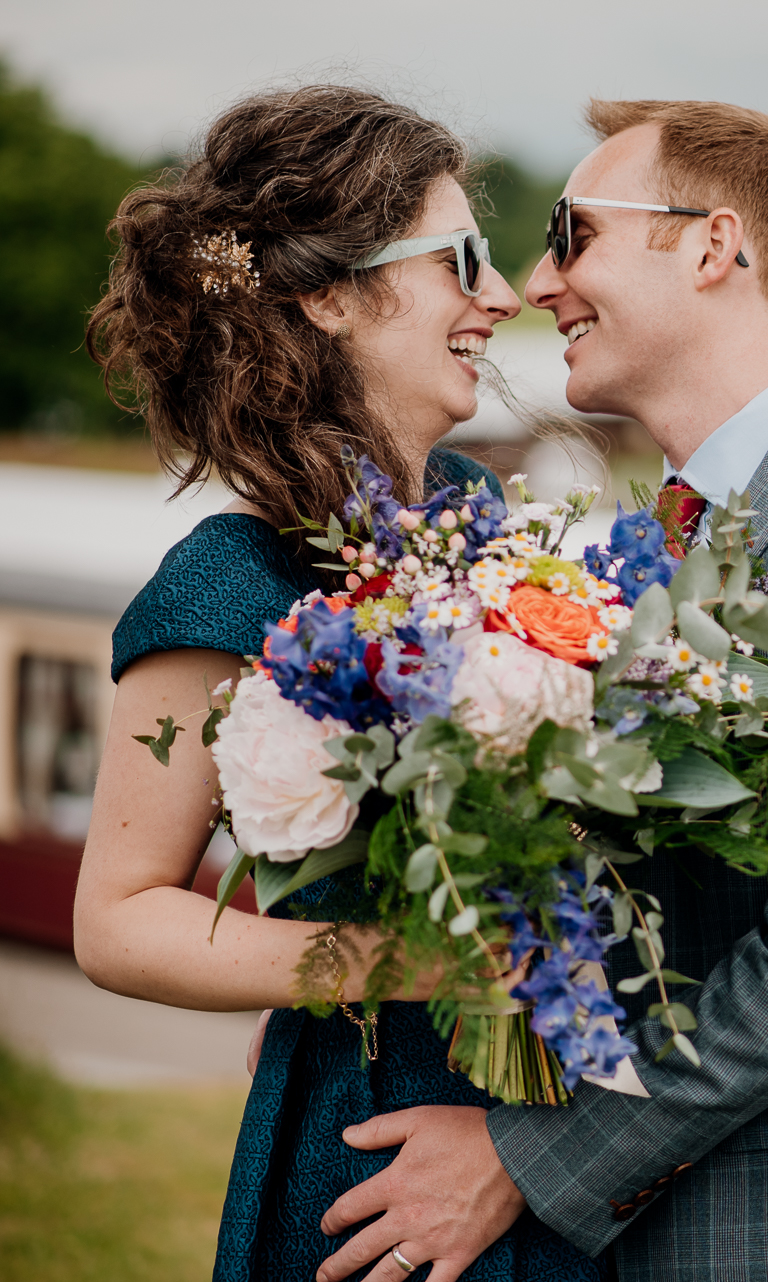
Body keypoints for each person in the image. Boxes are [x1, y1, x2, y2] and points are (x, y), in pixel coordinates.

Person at [314, 100, 768, 1281]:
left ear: (712, 247)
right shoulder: (644, 543)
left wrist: (524, 1159)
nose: (538, 281)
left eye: (572, 233)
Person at [76, 86, 600, 1282]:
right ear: (328, 294)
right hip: (375, 1153)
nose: (503, 295)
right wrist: (406, 960)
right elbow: (116, 921)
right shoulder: (232, 578)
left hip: (548, 1137)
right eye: (461, 257)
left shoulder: (478, 514)